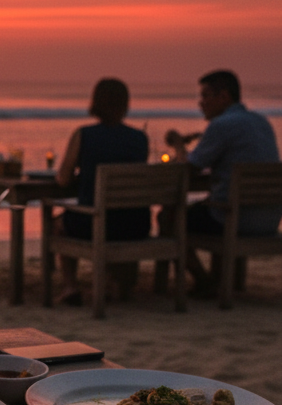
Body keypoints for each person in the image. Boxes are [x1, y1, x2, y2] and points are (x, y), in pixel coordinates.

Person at [164, 68, 281, 293]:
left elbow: (187, 168)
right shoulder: (261, 122)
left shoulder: (221, 125)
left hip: (236, 220)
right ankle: (226, 280)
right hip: (268, 220)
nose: (201, 103)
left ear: (224, 97)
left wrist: (178, 144)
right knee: (211, 205)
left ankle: (204, 282)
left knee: (169, 217)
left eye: (206, 96)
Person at [53, 77, 150, 304]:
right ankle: (115, 281)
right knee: (116, 216)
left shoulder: (84, 135)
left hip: (95, 224)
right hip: (136, 225)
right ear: (125, 104)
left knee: (58, 223)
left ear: (95, 102)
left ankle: (69, 286)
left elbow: (63, 180)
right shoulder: (140, 139)